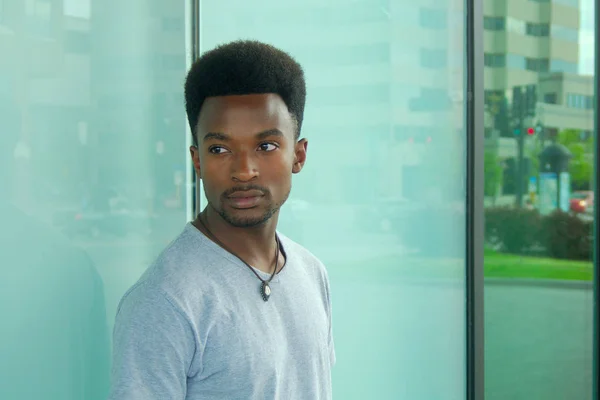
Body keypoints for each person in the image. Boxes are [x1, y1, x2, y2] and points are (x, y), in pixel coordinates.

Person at [108, 40, 335, 400]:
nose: (244, 171)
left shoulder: (311, 272)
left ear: (299, 154)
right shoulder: (163, 301)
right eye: (220, 149)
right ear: (197, 161)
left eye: (266, 146)